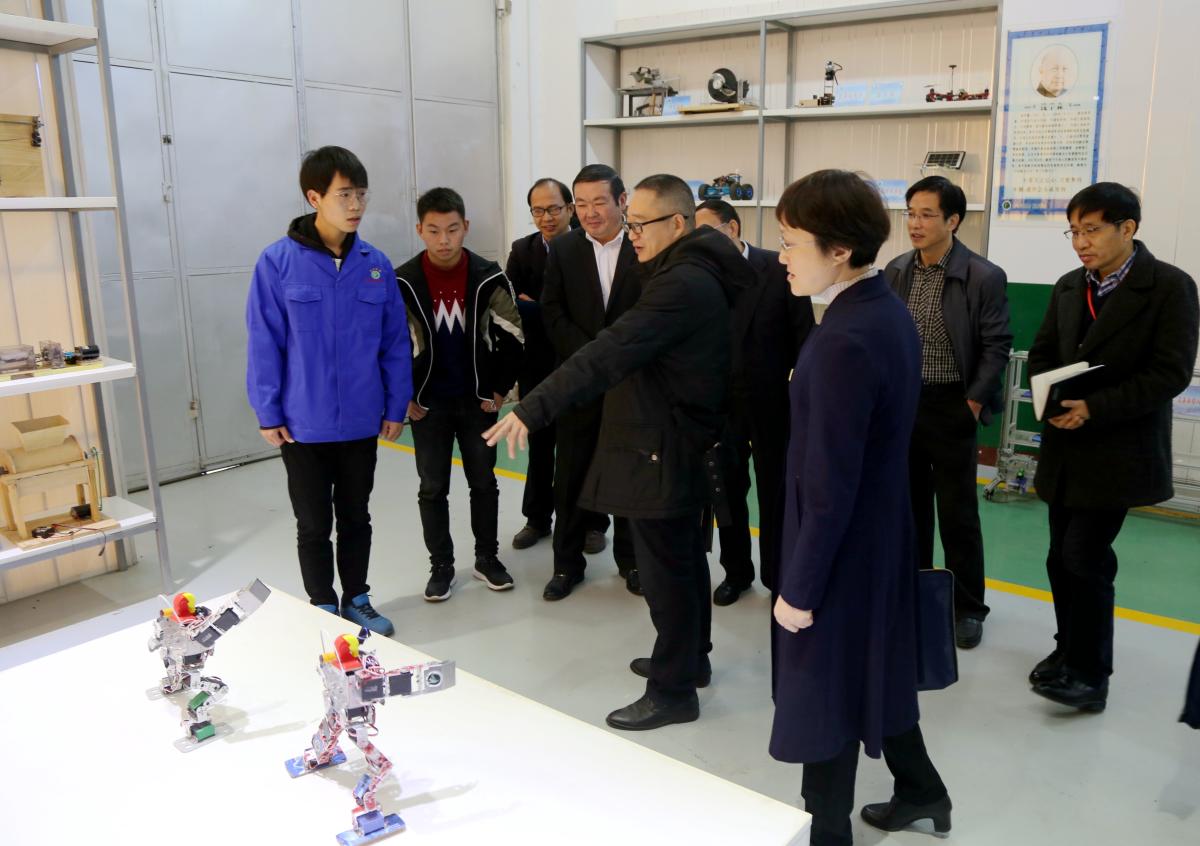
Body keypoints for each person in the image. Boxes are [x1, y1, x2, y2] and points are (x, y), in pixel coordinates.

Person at [485, 173, 754, 730]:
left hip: (666, 447)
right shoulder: (689, 269)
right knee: (683, 563)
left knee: (666, 573)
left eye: (640, 224)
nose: (631, 234)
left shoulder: (682, 283)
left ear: (677, 223)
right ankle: (690, 661)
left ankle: (673, 691)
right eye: (629, 225)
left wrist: (532, 407)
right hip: (680, 439)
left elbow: (611, 349)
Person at [770, 170, 950, 846]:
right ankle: (923, 791)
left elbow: (828, 485)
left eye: (792, 243)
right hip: (879, 531)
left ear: (839, 249)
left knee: (827, 690)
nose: (782, 257)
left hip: (840, 546)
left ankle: (828, 832)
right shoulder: (884, 310)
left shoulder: (844, 340)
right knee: (875, 668)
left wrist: (800, 588)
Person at [1027, 182, 1199, 712]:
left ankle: (1090, 676)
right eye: (1074, 231)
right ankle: (1067, 650)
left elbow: (1169, 373)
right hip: (1065, 444)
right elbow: (1042, 352)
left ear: (1128, 228)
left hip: (1119, 449)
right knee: (1059, 556)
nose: (1081, 242)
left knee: (1085, 556)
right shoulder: (1068, 286)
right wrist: (1050, 397)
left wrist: (1095, 407)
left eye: (1092, 230)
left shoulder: (1169, 287)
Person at [246, 146, 410, 636]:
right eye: (344, 195)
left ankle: (357, 598)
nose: (356, 205)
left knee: (356, 516)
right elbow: (264, 341)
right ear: (314, 197)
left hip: (361, 417)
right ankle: (321, 603)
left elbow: (395, 343)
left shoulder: (375, 264)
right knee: (314, 523)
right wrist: (268, 411)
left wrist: (395, 405)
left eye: (361, 194)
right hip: (303, 422)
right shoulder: (277, 263)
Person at [884, 176, 1012, 649]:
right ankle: (916, 593)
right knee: (909, 509)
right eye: (910, 214)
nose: (915, 224)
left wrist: (972, 403)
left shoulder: (982, 275)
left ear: (953, 220)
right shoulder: (897, 270)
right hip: (905, 405)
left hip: (954, 405)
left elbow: (996, 345)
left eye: (927, 215)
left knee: (958, 514)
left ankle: (967, 608)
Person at [395, 187, 524, 602]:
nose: (444, 240)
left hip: (478, 402)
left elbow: (513, 334)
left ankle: (487, 558)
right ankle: (442, 566)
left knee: (484, 482)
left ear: (465, 227)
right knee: (432, 488)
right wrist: (403, 396)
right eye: (434, 231)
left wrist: (500, 389)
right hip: (426, 405)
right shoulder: (403, 281)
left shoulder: (488, 275)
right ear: (420, 230)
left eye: (452, 229)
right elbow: (388, 344)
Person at [693, 199, 814, 605]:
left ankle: (780, 576)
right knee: (726, 492)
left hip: (772, 404)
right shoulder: (699, 276)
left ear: (732, 228)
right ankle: (736, 572)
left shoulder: (777, 268)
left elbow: (804, 337)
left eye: (707, 232)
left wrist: (800, 398)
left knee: (776, 493)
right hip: (720, 407)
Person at [537, 164, 644, 600]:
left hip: (633, 382)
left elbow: (653, 311)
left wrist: (617, 359)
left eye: (599, 202)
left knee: (631, 476)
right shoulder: (564, 249)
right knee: (570, 477)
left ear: (622, 201)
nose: (590, 212)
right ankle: (566, 566)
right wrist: (591, 358)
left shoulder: (643, 245)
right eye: (581, 204)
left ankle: (632, 562)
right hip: (579, 384)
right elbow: (552, 311)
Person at [506, 178, 576, 551]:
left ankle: (588, 522)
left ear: (570, 209)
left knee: (580, 446)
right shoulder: (523, 250)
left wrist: (538, 306)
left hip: (579, 362)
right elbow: (511, 307)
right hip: (535, 363)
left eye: (553, 209)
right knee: (539, 444)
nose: (546, 217)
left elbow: (589, 311)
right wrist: (551, 310)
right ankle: (536, 520)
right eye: (538, 210)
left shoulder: (587, 246)